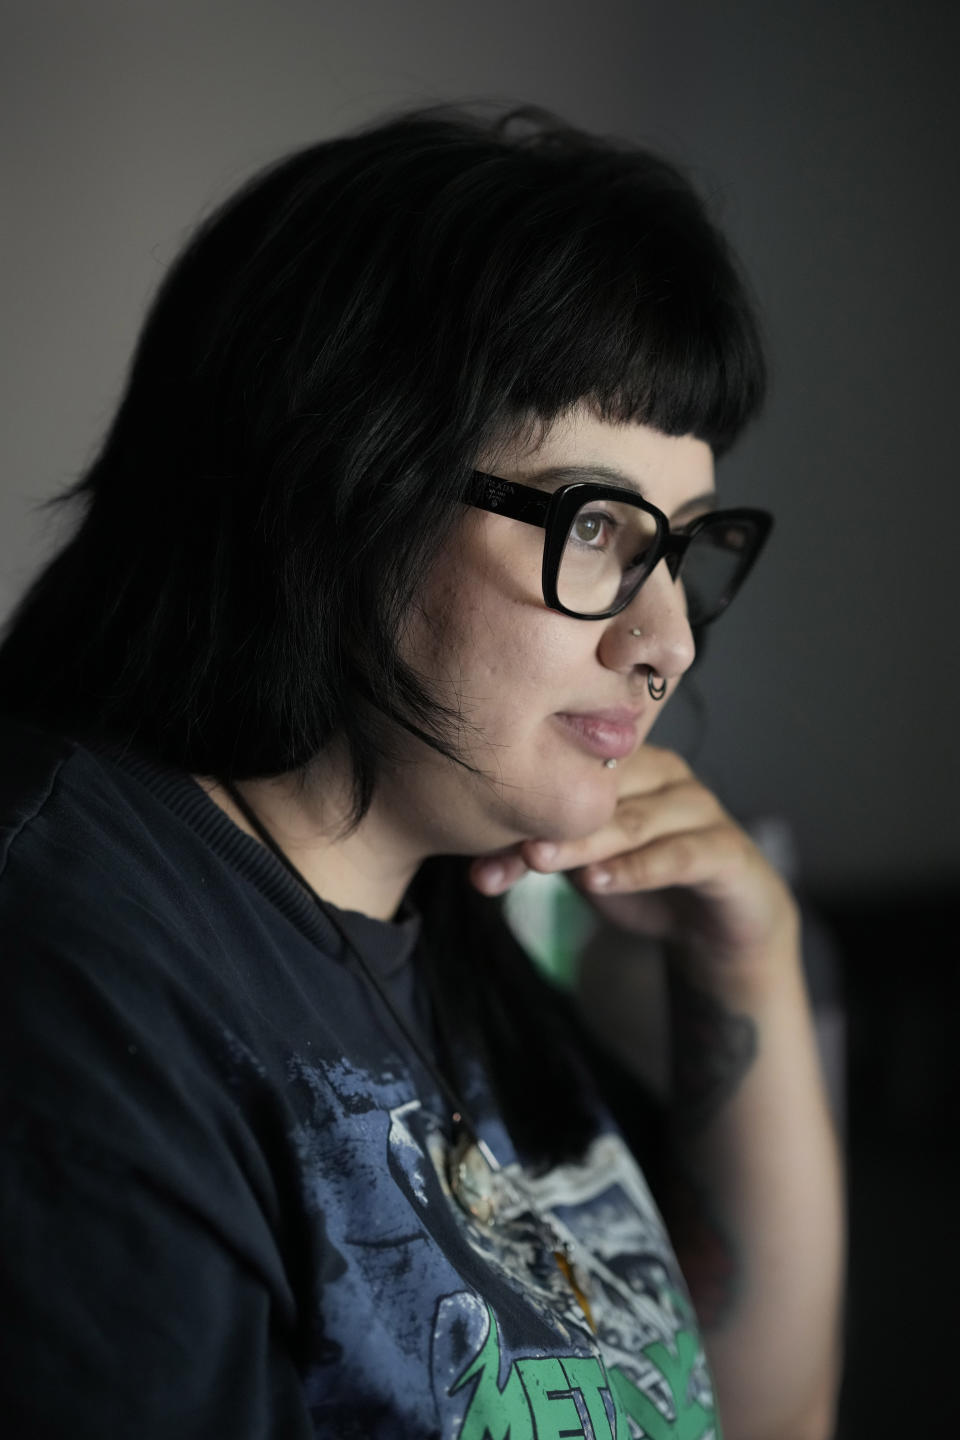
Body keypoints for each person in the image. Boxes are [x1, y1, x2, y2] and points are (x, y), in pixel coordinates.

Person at [0, 101, 844, 1439]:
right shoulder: (68, 965)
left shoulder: (452, 907)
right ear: (340, 484)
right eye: (598, 527)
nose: (668, 641)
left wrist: (751, 966)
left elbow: (759, 1422)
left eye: (684, 546)